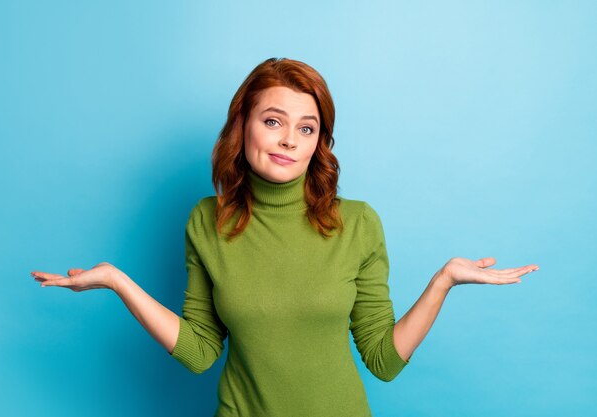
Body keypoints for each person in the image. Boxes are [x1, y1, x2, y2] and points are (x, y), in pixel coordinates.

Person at [32, 57, 540, 417]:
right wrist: (119, 283)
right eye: (273, 121)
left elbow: (383, 361)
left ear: (319, 141)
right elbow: (200, 351)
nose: (288, 140)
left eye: (306, 128)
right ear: (243, 126)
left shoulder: (358, 223)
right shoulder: (208, 222)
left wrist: (443, 281)